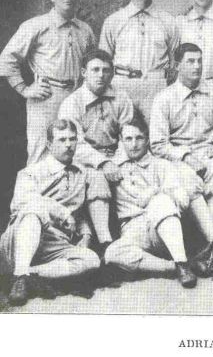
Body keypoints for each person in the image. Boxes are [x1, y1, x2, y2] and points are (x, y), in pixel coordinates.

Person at [0, 120, 110, 305]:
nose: (68, 144)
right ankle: (20, 273)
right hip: (20, 240)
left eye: (72, 139)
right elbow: (23, 202)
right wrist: (62, 212)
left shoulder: (80, 173)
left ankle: (27, 275)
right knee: (33, 211)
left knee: (91, 259)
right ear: (49, 145)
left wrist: (86, 235)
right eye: (62, 140)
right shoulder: (30, 172)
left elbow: (78, 211)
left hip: (55, 245)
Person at [0, 0, 96, 164]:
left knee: (76, 151)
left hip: (77, 97)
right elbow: (6, 60)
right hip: (46, 98)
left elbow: (93, 64)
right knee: (41, 153)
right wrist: (24, 89)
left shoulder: (85, 30)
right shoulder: (36, 25)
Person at [150, 43, 213, 244]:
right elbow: (158, 144)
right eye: (190, 61)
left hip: (209, 153)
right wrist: (185, 156)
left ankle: (206, 242)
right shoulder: (164, 98)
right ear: (177, 65)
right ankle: (212, 241)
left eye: (199, 61)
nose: (197, 66)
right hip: (178, 159)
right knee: (187, 179)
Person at [104, 118, 199, 288]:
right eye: (128, 139)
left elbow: (183, 200)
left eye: (139, 138)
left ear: (147, 140)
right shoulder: (114, 168)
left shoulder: (162, 165)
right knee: (112, 253)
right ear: (121, 141)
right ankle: (176, 267)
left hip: (162, 229)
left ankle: (181, 262)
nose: (134, 144)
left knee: (160, 201)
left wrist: (156, 191)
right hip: (133, 230)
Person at [58, 49, 133, 249]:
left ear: (112, 73)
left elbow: (128, 134)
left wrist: (117, 161)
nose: (101, 75)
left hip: (117, 156)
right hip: (85, 161)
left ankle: (132, 238)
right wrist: (103, 162)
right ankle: (105, 241)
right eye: (95, 70)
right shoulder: (72, 103)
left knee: (133, 176)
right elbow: (75, 144)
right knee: (98, 179)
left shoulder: (121, 98)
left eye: (106, 70)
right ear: (84, 72)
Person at [99, 0, 178, 119]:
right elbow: (102, 61)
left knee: (156, 131)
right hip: (122, 87)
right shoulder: (114, 20)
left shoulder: (168, 21)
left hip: (156, 88)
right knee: (123, 131)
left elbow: (175, 63)